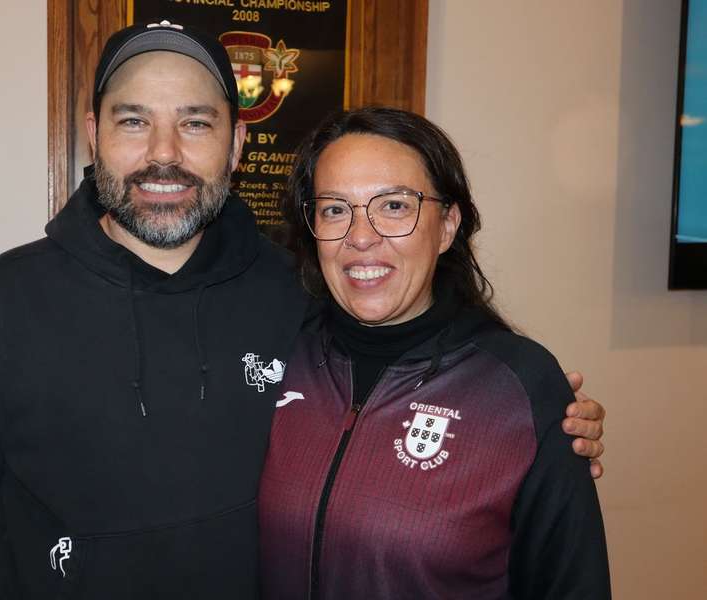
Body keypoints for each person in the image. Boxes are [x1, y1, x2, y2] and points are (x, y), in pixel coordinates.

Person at [0, 22, 605, 599]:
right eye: (134, 121)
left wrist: (532, 421)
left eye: (195, 124)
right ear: (93, 134)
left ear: (236, 143)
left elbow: (407, 364)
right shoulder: (1, 308)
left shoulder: (295, 290)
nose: (162, 154)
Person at [259, 107, 611, 599]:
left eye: (395, 206)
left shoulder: (520, 385)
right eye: (335, 209)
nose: (361, 236)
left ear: (447, 225)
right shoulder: (273, 354)